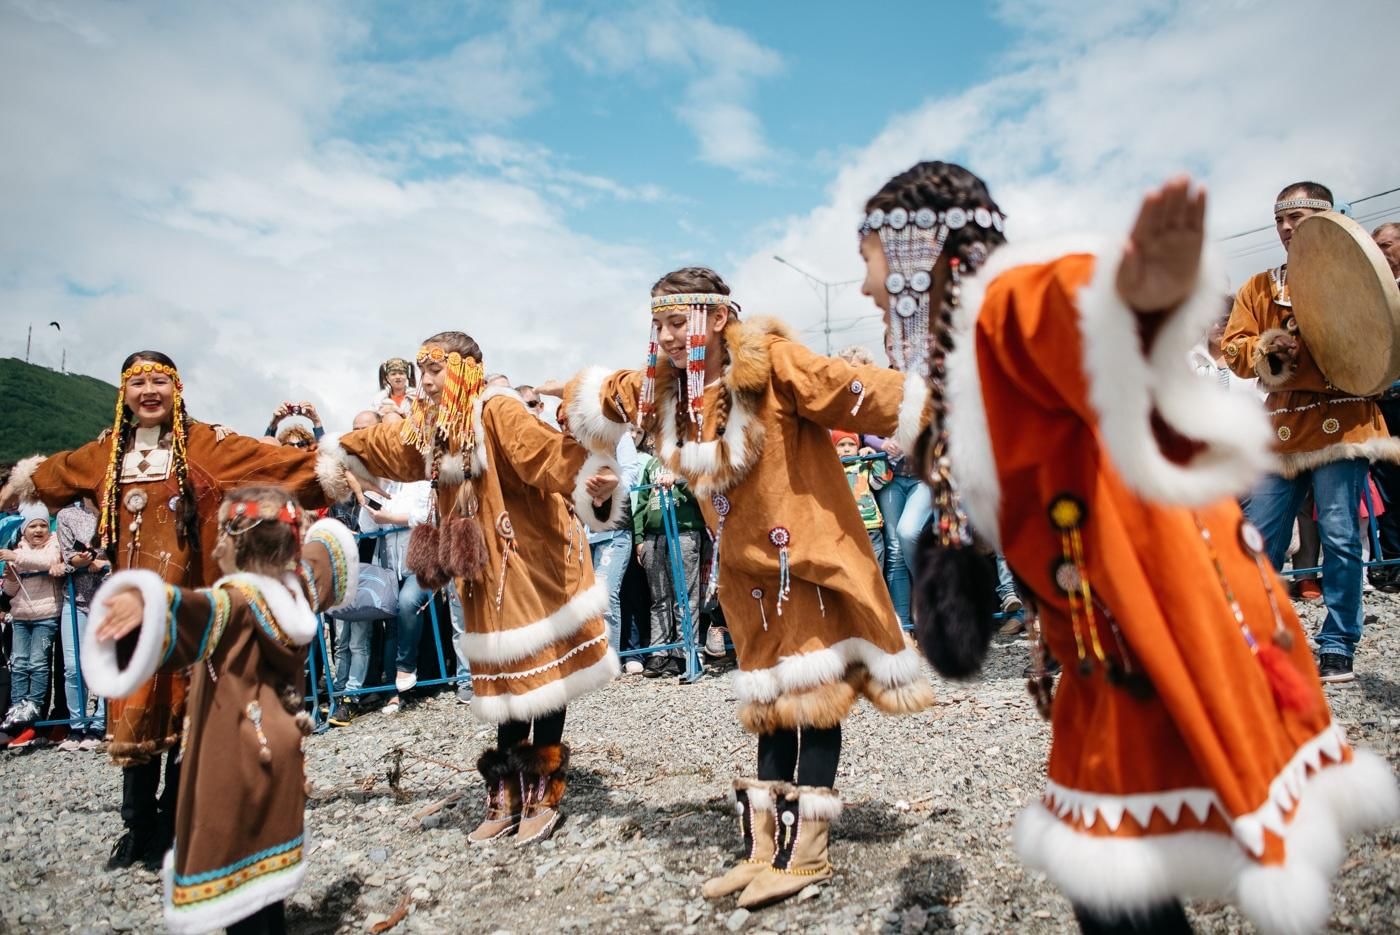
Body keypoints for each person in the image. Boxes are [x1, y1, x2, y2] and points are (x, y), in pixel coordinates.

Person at [865, 161, 1399, 934]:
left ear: (917, 250)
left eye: (868, 261)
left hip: (1154, 613)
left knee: (1117, 864)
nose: (864, 286)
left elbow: (1076, 301)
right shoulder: (961, 365)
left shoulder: (1007, 302)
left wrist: (1142, 292)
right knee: (1114, 862)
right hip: (1104, 633)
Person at [563, 266, 934, 909]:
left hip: (804, 566)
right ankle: (763, 849)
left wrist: (944, 405)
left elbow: (851, 388)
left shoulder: (771, 363)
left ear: (717, 314)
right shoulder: (676, 391)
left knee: (814, 704)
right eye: (659, 325)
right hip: (745, 578)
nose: (669, 336)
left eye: (678, 322)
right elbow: (617, 393)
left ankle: (807, 856)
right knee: (769, 709)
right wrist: (565, 394)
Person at [0, 350, 337, 870]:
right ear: (125, 394)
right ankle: (136, 826)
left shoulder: (207, 445)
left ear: (176, 388)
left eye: (160, 381)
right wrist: (21, 483)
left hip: (189, 608)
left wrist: (340, 464)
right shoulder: (107, 453)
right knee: (134, 712)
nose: (149, 391)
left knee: (188, 711)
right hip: (132, 611)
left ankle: (174, 826)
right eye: (139, 383)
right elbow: (57, 470)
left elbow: (273, 462)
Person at [321, 331, 622, 844]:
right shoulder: (434, 429)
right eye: (422, 372)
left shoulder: (496, 410)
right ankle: (504, 794)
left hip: (533, 563)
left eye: (436, 370)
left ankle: (541, 794)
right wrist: (333, 455)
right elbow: (387, 447)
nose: (427, 381)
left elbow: (544, 455)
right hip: (485, 578)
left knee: (542, 681)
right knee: (504, 687)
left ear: (466, 370)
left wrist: (590, 476)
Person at [84, 487, 356, 935]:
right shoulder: (298, 587)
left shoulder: (234, 601)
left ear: (234, 543)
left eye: (222, 535)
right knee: (266, 864)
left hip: (233, 755)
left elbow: (190, 611)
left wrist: (145, 602)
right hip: (280, 749)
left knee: (233, 871)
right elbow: (324, 558)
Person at [1223, 182, 1400, 683]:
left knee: (1342, 537)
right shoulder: (1259, 288)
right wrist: (1269, 348)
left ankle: (1339, 644)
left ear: (1323, 221)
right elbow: (1235, 351)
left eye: (1296, 218)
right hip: (1281, 428)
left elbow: (1379, 341)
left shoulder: (1354, 277)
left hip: (1343, 419)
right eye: (1279, 220)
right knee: (1260, 537)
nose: (1284, 228)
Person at [632, 456, 704, 678]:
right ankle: (659, 651)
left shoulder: (688, 459)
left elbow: (701, 492)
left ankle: (684, 653)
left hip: (682, 532)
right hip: (654, 536)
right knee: (659, 597)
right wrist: (639, 537)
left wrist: (679, 479)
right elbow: (641, 501)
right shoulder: (651, 464)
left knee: (684, 596)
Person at [0, 504, 62, 745]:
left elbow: (47, 561)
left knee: (38, 662)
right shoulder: (18, 548)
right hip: (22, 616)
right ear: (24, 530)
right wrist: (9, 576)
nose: (38, 530)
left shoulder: (53, 544)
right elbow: (12, 587)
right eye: (32, 526)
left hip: (45, 615)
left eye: (43, 525)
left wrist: (17, 557)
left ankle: (34, 704)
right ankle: (18, 705)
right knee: (19, 662)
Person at [55, 497, 110, 751]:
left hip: (109, 599)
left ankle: (100, 724)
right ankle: (77, 726)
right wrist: (82, 561)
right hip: (75, 599)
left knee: (106, 664)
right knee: (73, 666)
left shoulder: (113, 510)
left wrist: (105, 564)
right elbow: (68, 557)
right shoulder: (67, 515)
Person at [1367, 222, 1400, 590]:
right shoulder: (1371, 292)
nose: (1381, 252)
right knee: (1387, 485)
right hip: (1382, 403)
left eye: (1386, 244)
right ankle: (1391, 561)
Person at [831, 430, 890, 566]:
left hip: (870, 527)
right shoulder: (831, 468)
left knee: (875, 570)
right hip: (845, 529)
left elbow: (880, 483)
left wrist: (875, 457)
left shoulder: (864, 465)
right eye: (841, 445)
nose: (846, 449)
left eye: (851, 444)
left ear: (858, 447)